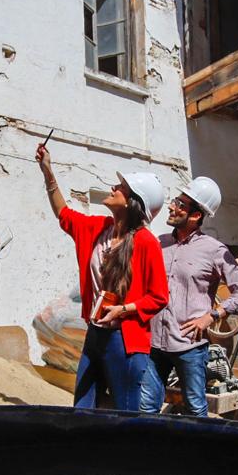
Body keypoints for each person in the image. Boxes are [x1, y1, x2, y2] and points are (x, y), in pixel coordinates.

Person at [36, 141, 168, 411]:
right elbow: (64, 214)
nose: (114, 188)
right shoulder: (98, 229)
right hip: (95, 334)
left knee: (126, 412)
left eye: (122, 188)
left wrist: (123, 309)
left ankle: (124, 453)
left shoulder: (146, 242)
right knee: (83, 407)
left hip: (124, 340)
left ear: (133, 202)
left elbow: (159, 296)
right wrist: (47, 172)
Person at [141, 177, 238, 417]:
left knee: (195, 408)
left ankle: (198, 453)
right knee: (146, 408)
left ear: (195, 216)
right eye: (175, 201)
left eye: (180, 204)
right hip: (154, 343)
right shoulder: (159, 244)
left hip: (189, 345)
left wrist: (212, 315)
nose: (172, 207)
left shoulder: (214, 250)